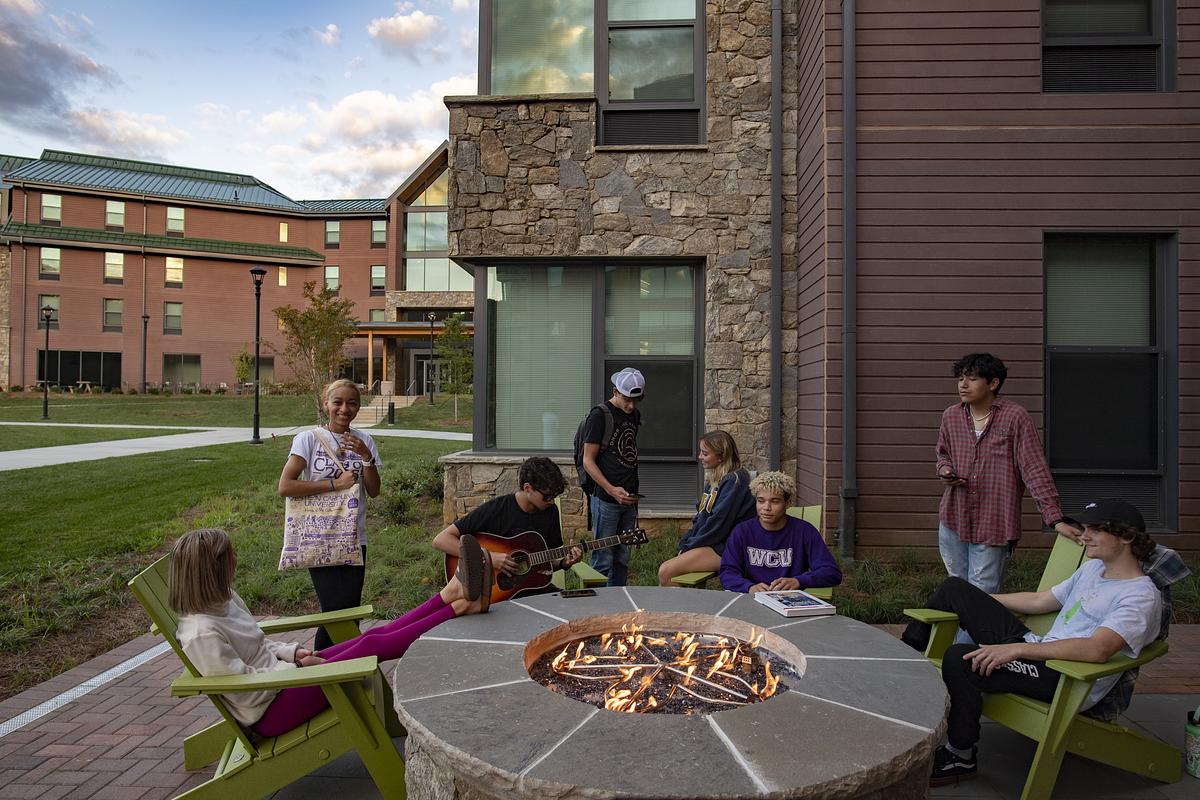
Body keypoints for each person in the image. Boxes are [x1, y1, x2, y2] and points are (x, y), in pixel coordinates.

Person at [901, 500, 1162, 787]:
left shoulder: (1139, 596)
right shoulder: (1093, 570)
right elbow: (1041, 600)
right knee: (955, 589)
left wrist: (1018, 649)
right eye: (1085, 528)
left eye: (1096, 530)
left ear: (1126, 537)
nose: (1085, 536)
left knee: (960, 659)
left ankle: (960, 755)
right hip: (1038, 651)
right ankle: (902, 659)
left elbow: (1097, 649)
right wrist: (977, 602)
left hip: (1063, 677)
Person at [170, 528, 491, 738]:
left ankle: (450, 595)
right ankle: (461, 607)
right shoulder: (201, 633)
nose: (236, 560)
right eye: (230, 557)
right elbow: (247, 693)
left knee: (370, 639)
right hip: (272, 709)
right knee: (373, 647)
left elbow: (259, 646)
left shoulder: (223, 598)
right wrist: (294, 669)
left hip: (283, 681)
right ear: (209, 570)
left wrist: (292, 654)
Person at [936, 353, 1076, 594]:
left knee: (983, 594)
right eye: (960, 378)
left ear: (993, 383)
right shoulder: (951, 416)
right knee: (956, 588)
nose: (963, 385)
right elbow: (942, 454)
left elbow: (1034, 468)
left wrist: (1054, 518)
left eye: (971, 378)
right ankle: (959, 633)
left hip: (994, 521)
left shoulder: (1015, 417)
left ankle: (977, 634)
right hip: (953, 517)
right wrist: (945, 470)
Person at [278, 379, 381, 650]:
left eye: (352, 403)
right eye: (338, 402)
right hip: (319, 536)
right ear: (326, 404)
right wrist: (335, 484)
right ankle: (329, 670)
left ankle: (332, 669)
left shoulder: (365, 441)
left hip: (353, 537)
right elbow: (286, 486)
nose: (344, 409)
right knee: (335, 612)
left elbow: (374, 490)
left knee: (349, 612)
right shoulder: (308, 439)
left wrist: (366, 456)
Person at [432, 457, 583, 595]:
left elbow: (543, 563)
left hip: (529, 590)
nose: (551, 501)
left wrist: (564, 563)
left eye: (554, 497)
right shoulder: (497, 509)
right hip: (494, 594)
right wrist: (489, 557)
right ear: (527, 488)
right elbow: (441, 540)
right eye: (546, 497)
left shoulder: (550, 512)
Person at [718, 471, 842, 594]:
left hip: (791, 598)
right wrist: (749, 587)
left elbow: (831, 572)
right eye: (761, 501)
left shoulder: (805, 531)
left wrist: (798, 581)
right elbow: (727, 571)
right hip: (753, 597)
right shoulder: (742, 532)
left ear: (787, 503)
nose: (766, 507)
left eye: (775, 501)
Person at [658, 431, 754, 586]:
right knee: (674, 567)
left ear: (721, 456)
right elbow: (701, 517)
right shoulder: (716, 479)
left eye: (705, 453)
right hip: (713, 543)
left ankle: (679, 610)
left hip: (730, 548)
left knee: (666, 572)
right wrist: (687, 541)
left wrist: (691, 546)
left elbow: (718, 522)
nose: (700, 457)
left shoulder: (735, 480)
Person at [581, 367, 644, 587]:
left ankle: (619, 606)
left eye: (637, 400)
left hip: (629, 498)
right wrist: (610, 489)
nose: (632, 405)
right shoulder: (599, 416)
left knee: (622, 557)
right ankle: (596, 609)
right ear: (616, 391)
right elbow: (588, 461)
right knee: (603, 558)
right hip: (607, 499)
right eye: (627, 399)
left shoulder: (634, 414)